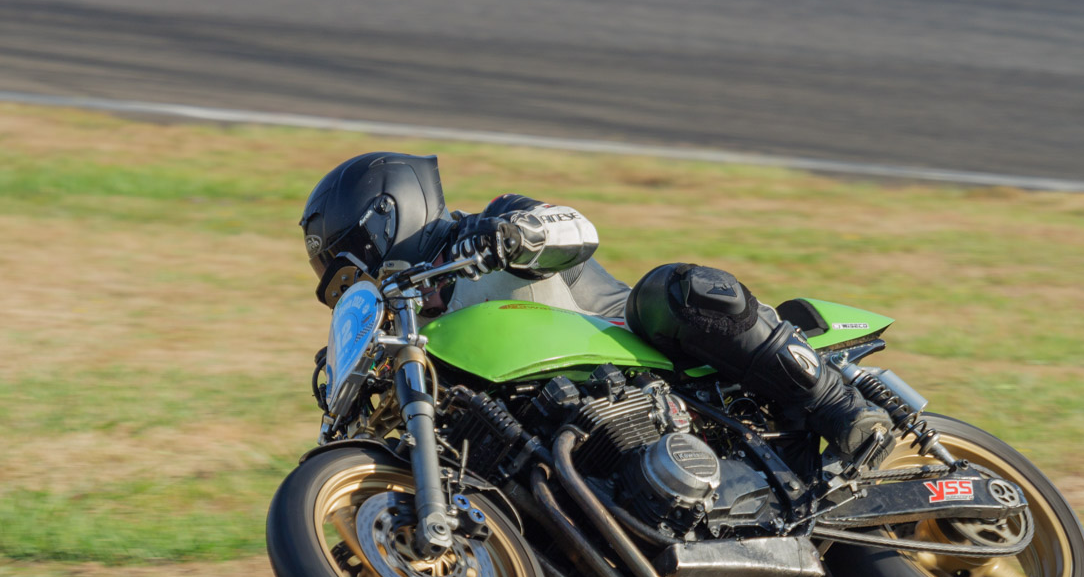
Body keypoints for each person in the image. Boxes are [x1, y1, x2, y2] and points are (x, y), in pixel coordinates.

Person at [301, 152, 892, 460]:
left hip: (642, 363)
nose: (364, 286)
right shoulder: (412, 337)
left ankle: (838, 407)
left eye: (357, 268)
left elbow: (576, 230)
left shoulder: (489, 228)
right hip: (562, 437)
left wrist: (511, 234)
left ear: (390, 218)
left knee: (676, 289)